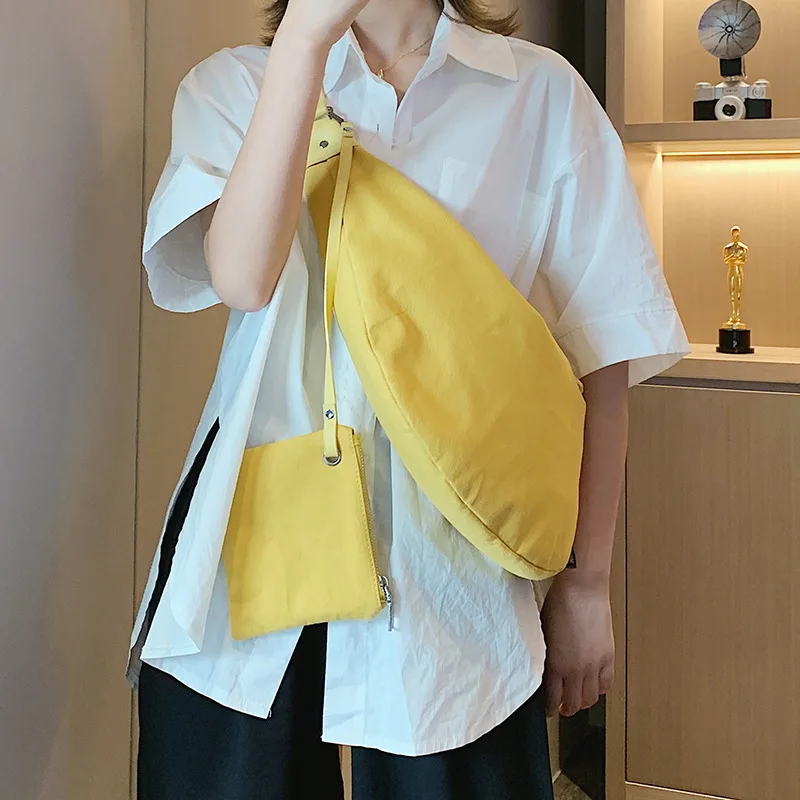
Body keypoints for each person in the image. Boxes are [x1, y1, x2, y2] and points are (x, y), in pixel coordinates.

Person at [130, 1, 689, 798]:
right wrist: (305, 44)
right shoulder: (235, 85)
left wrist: (587, 583)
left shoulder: (538, 94)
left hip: (457, 575)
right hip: (248, 560)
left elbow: (602, 357)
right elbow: (244, 278)